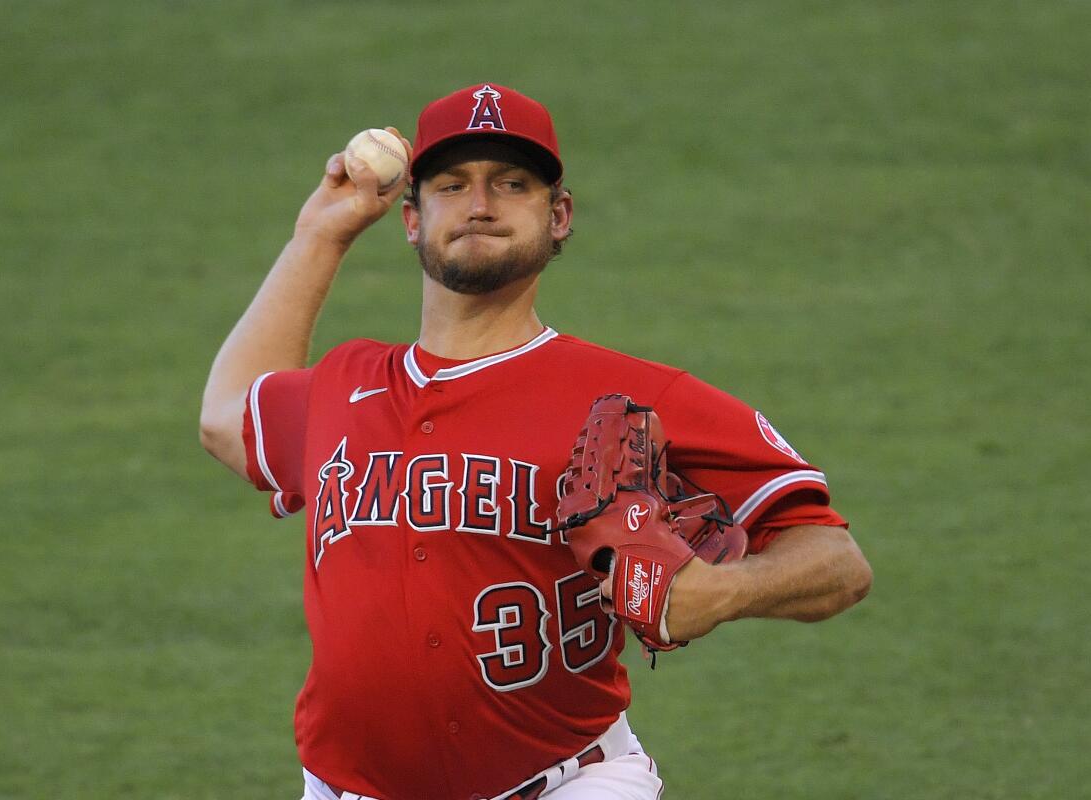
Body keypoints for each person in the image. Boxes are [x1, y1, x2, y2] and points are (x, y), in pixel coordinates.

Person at [200, 82, 872, 800]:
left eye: (511, 184)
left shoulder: (638, 396)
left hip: (568, 784)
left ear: (559, 216)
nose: (479, 205)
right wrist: (321, 234)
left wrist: (728, 590)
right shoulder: (344, 384)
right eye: (451, 185)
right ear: (411, 218)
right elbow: (226, 419)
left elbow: (838, 562)